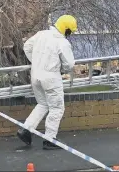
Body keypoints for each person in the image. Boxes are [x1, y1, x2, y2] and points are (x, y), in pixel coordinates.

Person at [17, 15, 77, 150]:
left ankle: (26, 129)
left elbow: (27, 47)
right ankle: (50, 139)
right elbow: (69, 64)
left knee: (43, 104)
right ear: (66, 29)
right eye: (70, 31)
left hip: (35, 75)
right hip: (51, 78)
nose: (70, 34)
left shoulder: (41, 34)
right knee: (57, 108)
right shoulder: (62, 42)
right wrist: (60, 69)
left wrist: (37, 62)